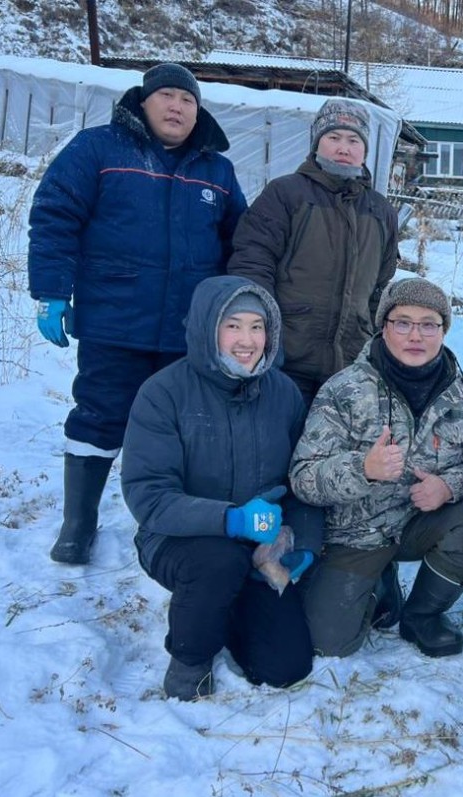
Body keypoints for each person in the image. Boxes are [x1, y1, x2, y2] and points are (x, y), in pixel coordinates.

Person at [28, 63, 247, 565]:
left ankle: (176, 519)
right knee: (100, 415)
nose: (177, 107)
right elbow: (55, 214)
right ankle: (78, 522)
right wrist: (52, 290)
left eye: (188, 100)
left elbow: (240, 241)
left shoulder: (216, 169)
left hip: (187, 328)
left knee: (183, 425)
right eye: (167, 96)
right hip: (114, 319)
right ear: (142, 102)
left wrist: (239, 309)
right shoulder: (98, 149)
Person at [121, 275, 316, 700]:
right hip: (180, 541)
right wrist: (230, 519)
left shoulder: (283, 393)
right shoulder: (164, 393)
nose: (247, 340)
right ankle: (190, 660)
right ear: (208, 328)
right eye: (233, 325)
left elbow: (303, 478)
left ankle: (228, 609)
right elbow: (148, 495)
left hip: (261, 544)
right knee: (218, 563)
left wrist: (305, 543)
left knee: (286, 666)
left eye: (257, 327)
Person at [289, 278, 463, 659]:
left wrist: (449, 487)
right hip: (356, 534)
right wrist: (362, 469)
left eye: (428, 324)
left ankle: (422, 616)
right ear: (383, 326)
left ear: (443, 330)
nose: (415, 335)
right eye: (402, 322)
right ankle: (380, 585)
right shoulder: (344, 390)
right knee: (329, 643)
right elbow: (303, 477)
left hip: (422, 525)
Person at [227, 97, 399, 405]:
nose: (343, 148)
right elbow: (252, 263)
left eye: (353, 140)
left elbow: (381, 287)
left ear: (365, 150)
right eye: (333, 137)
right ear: (316, 143)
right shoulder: (286, 193)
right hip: (286, 359)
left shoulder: (380, 210)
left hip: (350, 364)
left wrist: (371, 341)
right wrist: (261, 333)